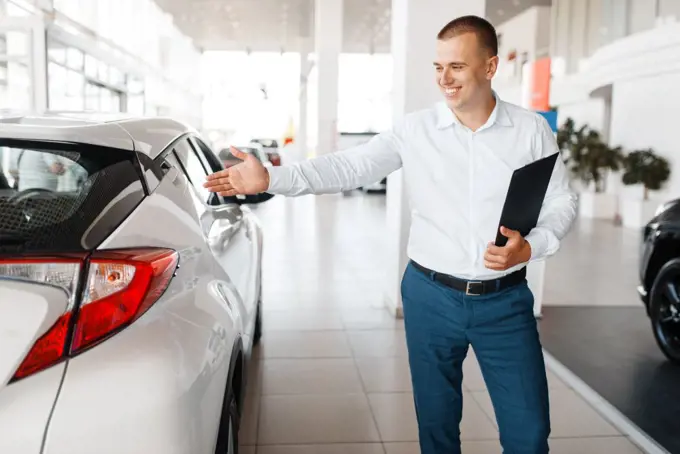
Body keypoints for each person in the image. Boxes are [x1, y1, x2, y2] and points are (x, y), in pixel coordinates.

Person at [204, 15, 576, 454]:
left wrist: (533, 247)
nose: (445, 79)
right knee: (437, 430)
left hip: (506, 301)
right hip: (431, 297)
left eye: (456, 66)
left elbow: (561, 202)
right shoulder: (415, 130)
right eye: (438, 67)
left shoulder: (531, 130)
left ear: (490, 67)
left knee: (529, 435)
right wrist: (272, 179)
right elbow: (349, 167)